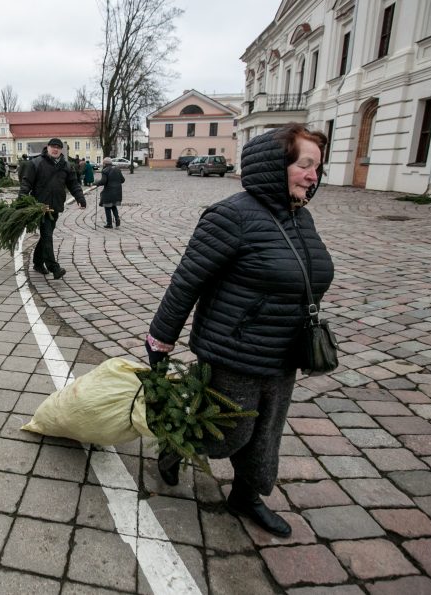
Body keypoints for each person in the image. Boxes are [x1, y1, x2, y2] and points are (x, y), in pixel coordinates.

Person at [144, 123, 334, 538]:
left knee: (266, 435)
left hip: (283, 354)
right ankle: (175, 447)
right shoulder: (230, 216)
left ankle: (246, 497)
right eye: (305, 165)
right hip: (233, 350)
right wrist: (160, 340)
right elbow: (187, 280)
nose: (313, 176)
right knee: (229, 433)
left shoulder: (301, 217)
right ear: (273, 165)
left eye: (317, 167)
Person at [19, 138, 87, 280]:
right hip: (40, 207)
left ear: (61, 150)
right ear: (47, 148)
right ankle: (53, 267)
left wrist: (80, 198)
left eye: (58, 147)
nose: (55, 149)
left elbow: (73, 184)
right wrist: (21, 199)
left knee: (45, 236)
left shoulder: (66, 165)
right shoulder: (36, 163)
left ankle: (38, 262)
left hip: (56, 206)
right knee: (47, 235)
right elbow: (26, 183)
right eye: (52, 147)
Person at [96, 157, 125, 228]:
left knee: (107, 207)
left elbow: (103, 181)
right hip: (117, 191)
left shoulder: (105, 170)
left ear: (105, 163)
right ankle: (117, 219)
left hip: (108, 191)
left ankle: (109, 223)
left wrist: (96, 183)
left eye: (103, 163)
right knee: (113, 206)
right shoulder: (117, 169)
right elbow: (122, 180)